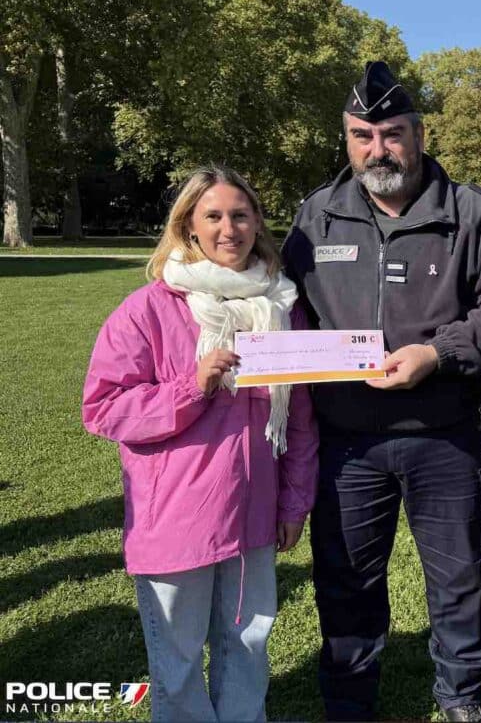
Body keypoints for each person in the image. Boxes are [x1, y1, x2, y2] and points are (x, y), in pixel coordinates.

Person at [282, 61, 481, 722]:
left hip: (441, 435)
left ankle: (460, 693)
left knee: (457, 579)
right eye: (362, 135)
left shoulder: (473, 214)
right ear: (347, 139)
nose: (377, 149)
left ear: (419, 133)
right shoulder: (317, 215)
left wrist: (437, 353)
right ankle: (349, 697)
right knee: (346, 582)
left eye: (391, 133)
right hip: (348, 443)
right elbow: (283, 307)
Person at [82, 166, 319, 721]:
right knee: (180, 661)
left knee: (248, 648)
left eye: (240, 215)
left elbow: (301, 421)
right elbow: (103, 407)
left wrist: (293, 503)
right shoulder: (148, 309)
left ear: (258, 222)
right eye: (212, 215)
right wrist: (193, 386)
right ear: (188, 225)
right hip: (175, 520)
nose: (228, 228)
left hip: (253, 516)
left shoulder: (282, 307)